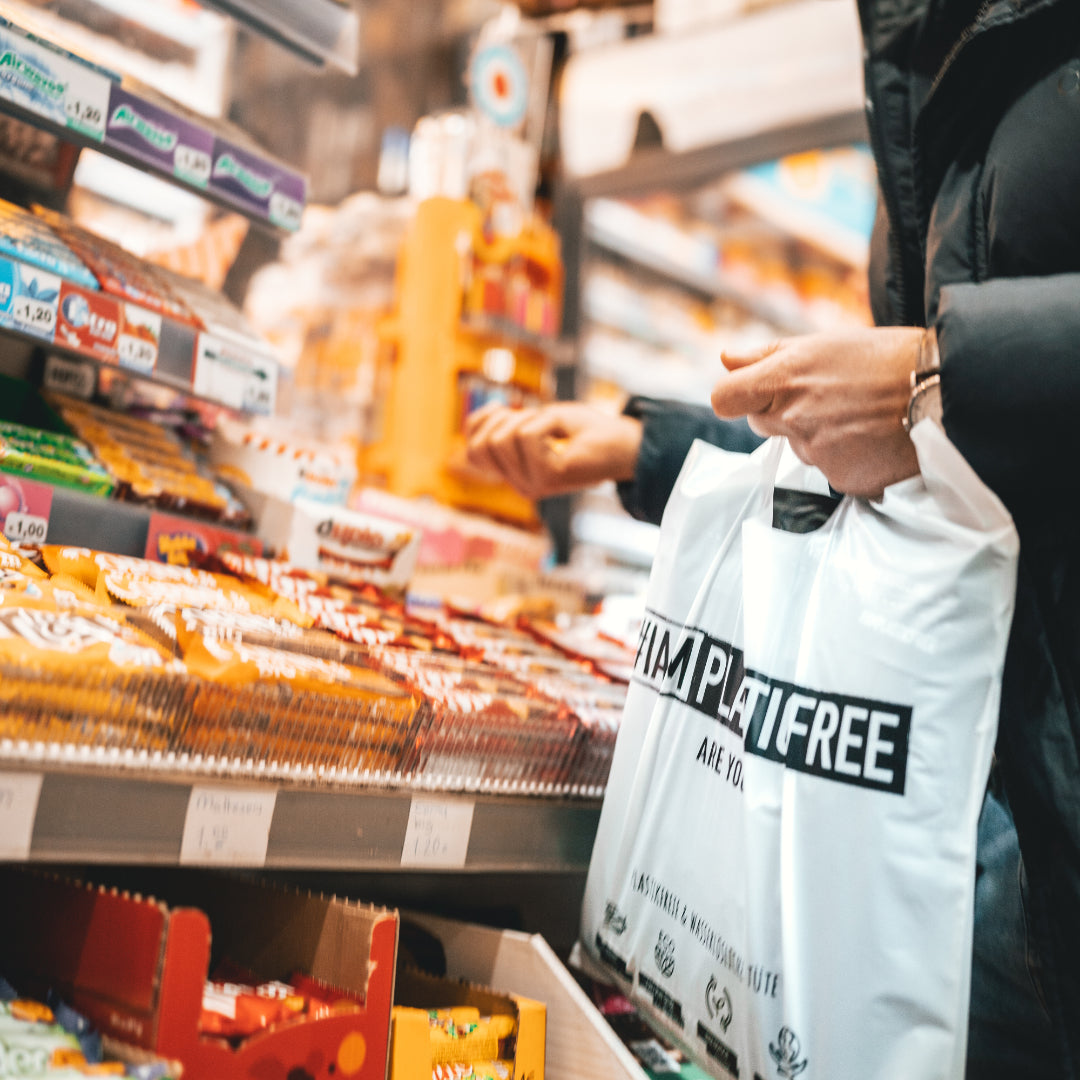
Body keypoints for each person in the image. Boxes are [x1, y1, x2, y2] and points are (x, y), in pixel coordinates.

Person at [466, 0, 1080, 1075]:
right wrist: (640, 447)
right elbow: (931, 456)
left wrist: (941, 378)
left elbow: (944, 397)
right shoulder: (917, 45)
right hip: (985, 808)